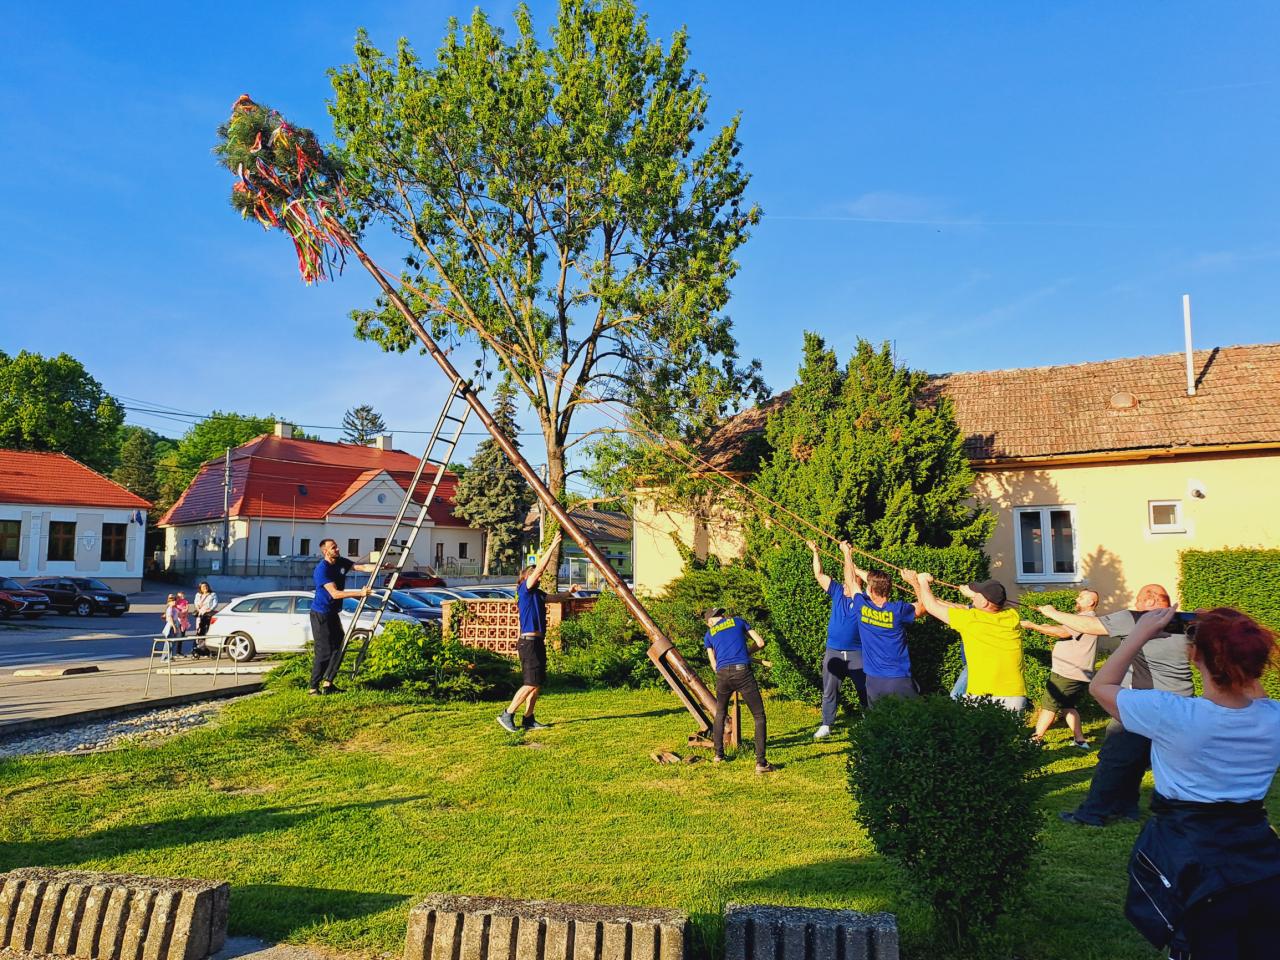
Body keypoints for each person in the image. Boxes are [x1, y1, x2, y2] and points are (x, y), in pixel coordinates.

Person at [1090, 606, 1280, 958]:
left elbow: (1101, 686)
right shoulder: (1274, 718)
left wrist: (1138, 634)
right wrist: (1240, 644)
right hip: (1259, 857)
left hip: (1192, 859)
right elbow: (1256, 697)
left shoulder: (1172, 714)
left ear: (1194, 656)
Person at [1045, 584, 1191, 826]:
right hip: (1180, 704)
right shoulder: (1184, 624)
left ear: (1148, 601)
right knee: (1136, 757)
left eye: (1138, 599)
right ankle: (1126, 806)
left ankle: (1091, 813)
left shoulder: (1137, 619)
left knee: (1114, 758)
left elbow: (1088, 625)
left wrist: (1051, 612)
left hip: (1143, 703)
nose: (1136, 604)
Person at [904, 571, 1026, 711]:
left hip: (985, 695)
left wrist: (922, 581)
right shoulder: (1012, 615)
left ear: (984, 602)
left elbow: (931, 606)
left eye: (977, 594)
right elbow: (1001, 603)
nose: (973, 597)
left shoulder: (970, 620)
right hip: (1016, 694)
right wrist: (975, 596)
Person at [497, 531, 562, 732]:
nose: (538, 576)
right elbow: (540, 568)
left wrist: (572, 592)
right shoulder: (524, 590)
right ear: (526, 577)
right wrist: (552, 546)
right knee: (530, 683)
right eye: (534, 574)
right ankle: (507, 714)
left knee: (537, 683)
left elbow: (556, 598)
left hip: (537, 642)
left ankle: (528, 718)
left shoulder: (538, 594)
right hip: (528, 643)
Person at [1022, 588, 1100, 747]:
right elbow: (1065, 631)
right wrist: (1046, 626)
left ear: (1091, 602)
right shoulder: (1086, 620)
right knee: (1067, 706)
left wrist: (1033, 626)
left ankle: (1035, 740)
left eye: (1081, 597)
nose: (1076, 599)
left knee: (1049, 706)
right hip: (1077, 673)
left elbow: (1062, 632)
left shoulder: (1084, 619)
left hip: (1067, 674)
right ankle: (1080, 741)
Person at [702, 607, 774, 773]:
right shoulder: (738, 621)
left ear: (710, 621)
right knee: (758, 715)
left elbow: (714, 665)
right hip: (743, 672)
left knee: (720, 713)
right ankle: (761, 763)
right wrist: (745, 652)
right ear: (721, 616)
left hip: (722, 675)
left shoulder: (709, 634)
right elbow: (760, 643)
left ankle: (718, 755)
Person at [807, 540, 866, 739]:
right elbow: (819, 575)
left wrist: (851, 560)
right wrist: (815, 552)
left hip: (857, 653)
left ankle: (870, 718)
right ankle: (826, 724)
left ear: (858, 584)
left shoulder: (864, 600)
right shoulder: (838, 593)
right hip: (833, 651)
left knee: (864, 688)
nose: (845, 584)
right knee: (829, 690)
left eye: (849, 582)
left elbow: (869, 580)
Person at [310, 538, 379, 696]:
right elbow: (335, 594)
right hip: (321, 614)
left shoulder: (340, 561)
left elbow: (361, 567)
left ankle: (328, 684)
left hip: (333, 613)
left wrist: (382, 567)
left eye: (337, 546)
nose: (337, 549)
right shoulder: (322, 570)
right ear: (325, 551)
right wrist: (360, 593)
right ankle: (313, 688)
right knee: (324, 651)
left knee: (339, 648)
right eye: (333, 548)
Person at [851, 566, 924, 704]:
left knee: (878, 716)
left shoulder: (862, 606)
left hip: (874, 680)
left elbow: (852, 583)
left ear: (870, 589)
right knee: (911, 716)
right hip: (899, 679)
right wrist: (915, 582)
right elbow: (923, 606)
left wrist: (849, 559)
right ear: (889, 589)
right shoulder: (898, 610)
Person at [192, 581, 218, 657]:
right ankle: (199, 649)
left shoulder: (212, 594)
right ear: (200, 588)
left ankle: (209, 650)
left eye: (206, 586)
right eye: (203, 587)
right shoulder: (198, 595)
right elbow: (196, 603)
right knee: (199, 631)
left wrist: (210, 609)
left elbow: (215, 603)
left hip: (208, 615)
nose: (205, 588)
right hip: (200, 615)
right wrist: (198, 608)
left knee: (208, 631)